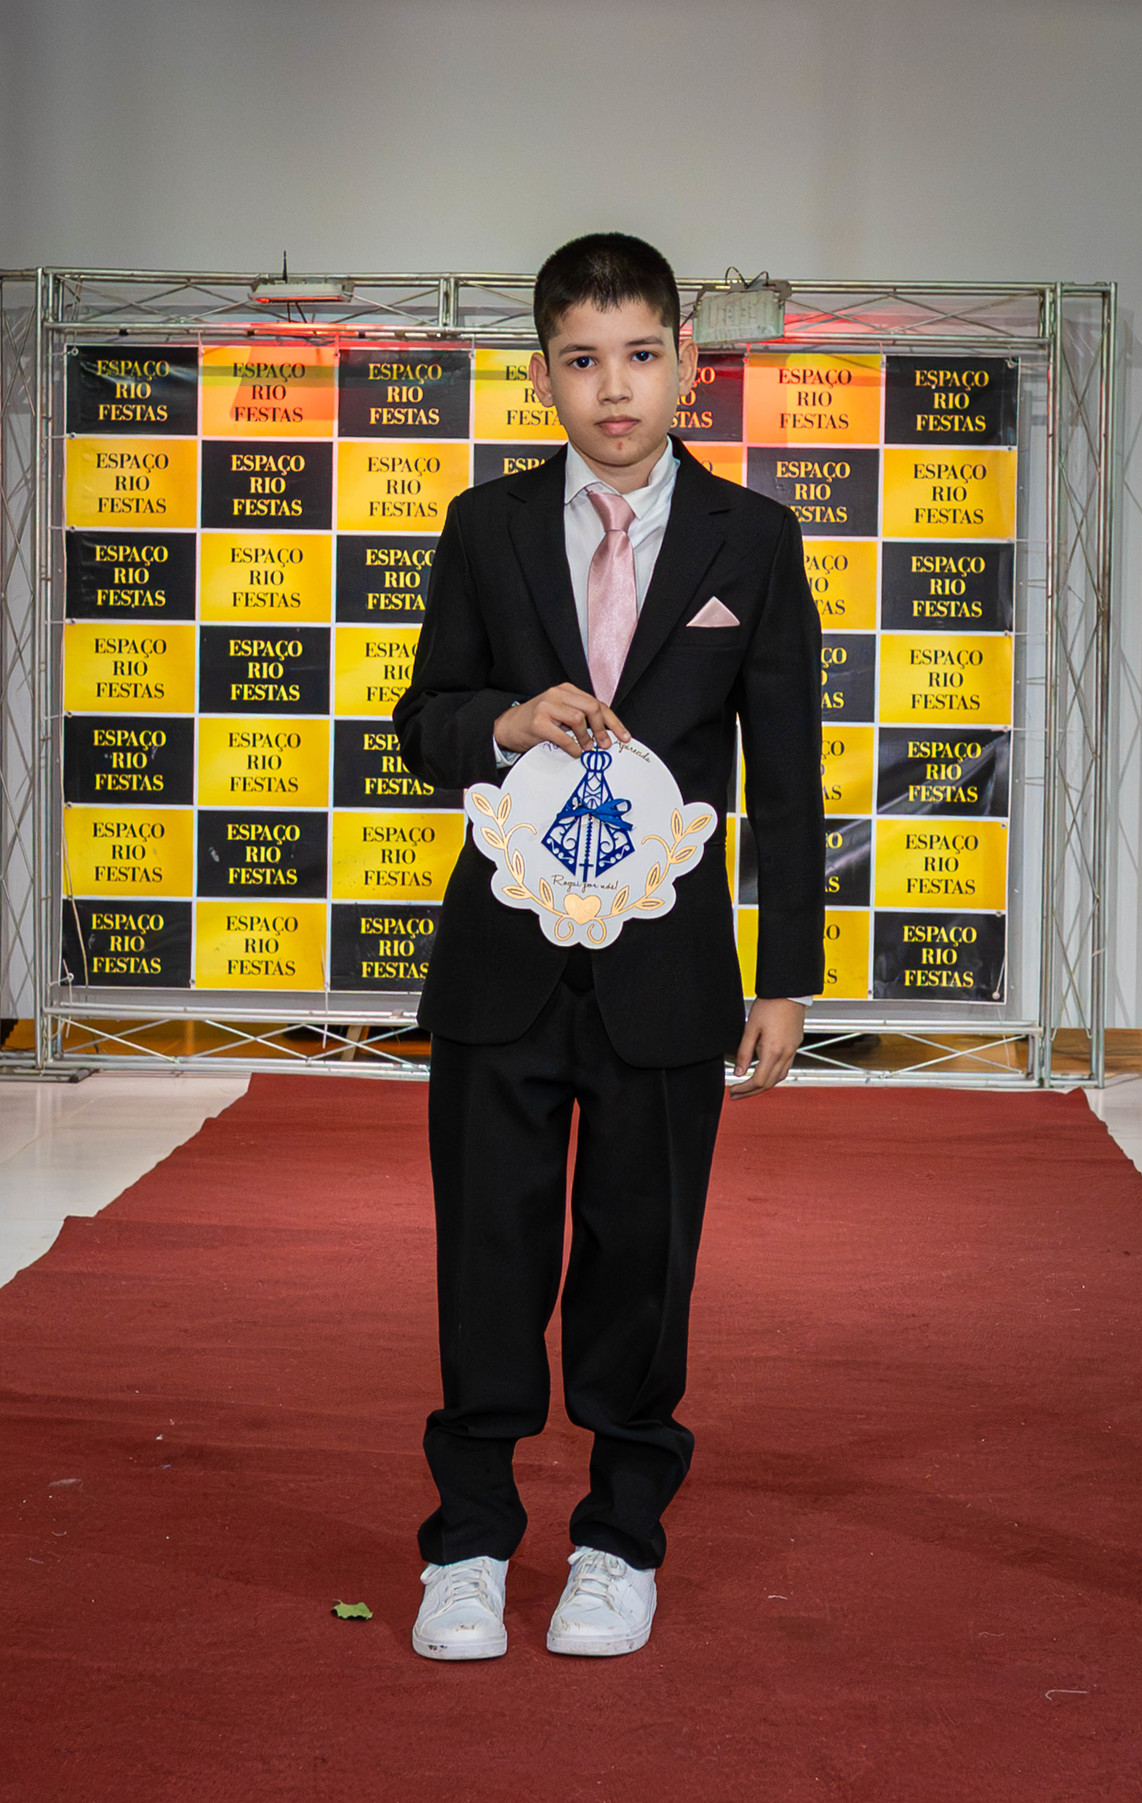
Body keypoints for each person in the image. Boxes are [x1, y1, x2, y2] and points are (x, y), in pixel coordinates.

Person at [392, 232, 824, 1661]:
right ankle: (467, 1543)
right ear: (543, 376)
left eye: (640, 355)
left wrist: (786, 975)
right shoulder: (485, 525)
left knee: (642, 1259)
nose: (615, 388)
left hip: (668, 973)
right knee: (487, 1255)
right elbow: (422, 721)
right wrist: (507, 721)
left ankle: (619, 1541)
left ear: (686, 363)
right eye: (583, 360)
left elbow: (789, 771)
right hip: (502, 960)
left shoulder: (753, 539)